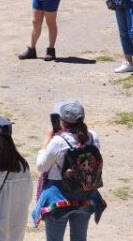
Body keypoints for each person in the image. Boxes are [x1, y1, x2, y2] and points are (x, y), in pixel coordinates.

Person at [32, 100, 106, 241]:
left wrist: (46, 141)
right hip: (85, 195)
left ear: (62, 121)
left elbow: (41, 167)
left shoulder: (59, 141)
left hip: (59, 198)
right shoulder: (93, 137)